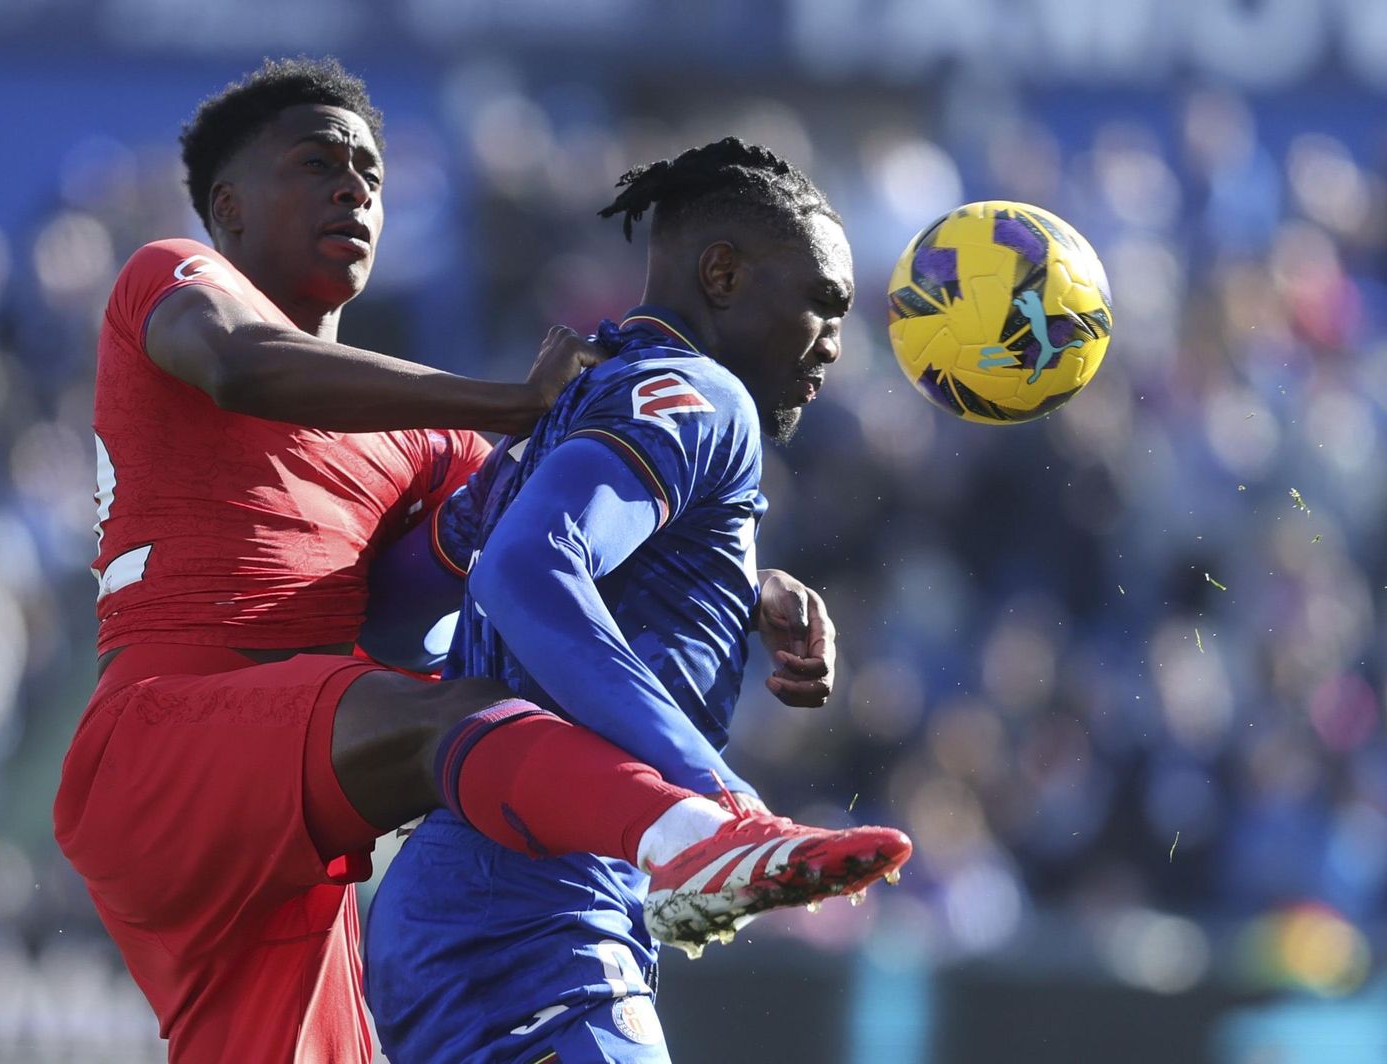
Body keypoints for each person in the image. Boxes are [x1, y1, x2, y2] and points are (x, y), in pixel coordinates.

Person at [52, 60, 911, 1064]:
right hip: (166, 739)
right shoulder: (175, 277)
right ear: (227, 207)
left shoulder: (422, 450)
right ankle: (698, 833)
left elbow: (498, 550)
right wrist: (503, 401)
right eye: (318, 161)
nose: (355, 187)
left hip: (299, 816)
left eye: (371, 171)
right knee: (454, 721)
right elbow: (236, 365)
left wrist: (749, 588)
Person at [364, 137, 899, 1063]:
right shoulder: (703, 394)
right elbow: (525, 573)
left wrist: (739, 589)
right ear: (722, 274)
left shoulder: (586, 395)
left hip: (468, 899)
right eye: (822, 303)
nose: (836, 343)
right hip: (533, 908)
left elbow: (421, 589)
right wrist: (714, 801)